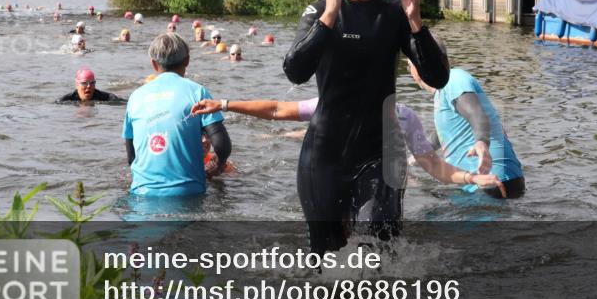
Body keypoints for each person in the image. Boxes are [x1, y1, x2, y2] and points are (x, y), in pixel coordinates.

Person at [282, 0, 449, 255]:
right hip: (326, 152)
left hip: (380, 150)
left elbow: (438, 78)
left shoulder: (395, 13)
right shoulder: (320, 11)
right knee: (323, 257)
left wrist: (416, 22)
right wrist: (330, 15)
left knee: (381, 249)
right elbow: (295, 72)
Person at [191, 97, 505, 196]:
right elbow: (276, 110)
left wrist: (472, 178)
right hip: (336, 189)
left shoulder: (403, 116)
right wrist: (226, 104)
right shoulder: (329, 104)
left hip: (381, 191)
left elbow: (432, 164)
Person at [407, 37, 525, 199]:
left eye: (409, 65)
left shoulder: (453, 79)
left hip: (489, 184)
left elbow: (475, 113)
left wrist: (481, 142)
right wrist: (418, 156)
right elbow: (445, 132)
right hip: (484, 184)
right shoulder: (444, 92)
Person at [122, 33, 231, 196]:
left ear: (153, 64)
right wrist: (219, 161)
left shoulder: (135, 97)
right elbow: (221, 145)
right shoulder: (197, 92)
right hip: (188, 193)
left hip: (141, 192)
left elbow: (132, 157)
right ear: (187, 60)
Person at [56, 67, 124, 103]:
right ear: (77, 85)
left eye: (92, 83)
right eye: (84, 83)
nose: (89, 86)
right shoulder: (66, 100)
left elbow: (115, 100)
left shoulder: (106, 97)